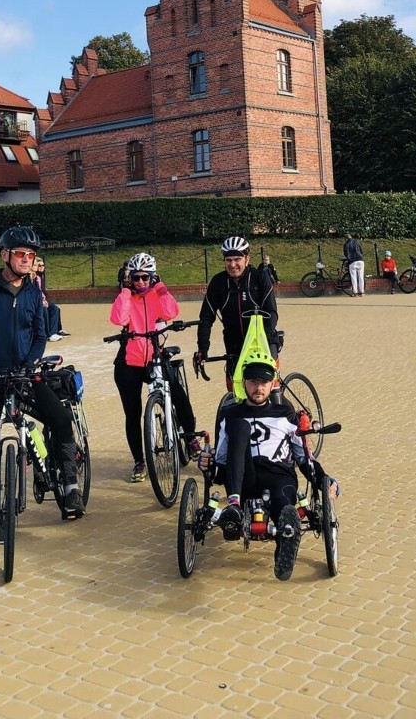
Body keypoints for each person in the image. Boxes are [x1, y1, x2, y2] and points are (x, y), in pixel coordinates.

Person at [0, 226, 84, 542]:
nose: (27, 260)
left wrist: (30, 362)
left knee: (61, 420)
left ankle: (70, 487)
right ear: (5, 256)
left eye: (31, 255)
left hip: (23, 375)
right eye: (21, 254)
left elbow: (39, 335)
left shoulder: (32, 293)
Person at [203, 360, 338, 581]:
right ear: (244, 384)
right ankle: (234, 507)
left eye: (264, 382)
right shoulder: (230, 415)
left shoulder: (285, 414)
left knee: (283, 506)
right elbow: (221, 466)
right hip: (243, 477)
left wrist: (323, 479)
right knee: (239, 425)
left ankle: (286, 536)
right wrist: (209, 467)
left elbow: (303, 457)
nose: (258, 387)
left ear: (272, 383)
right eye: (253, 382)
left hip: (278, 474)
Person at [109, 251, 202, 483]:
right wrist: (124, 290)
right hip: (129, 360)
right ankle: (139, 461)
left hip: (156, 356)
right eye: (136, 278)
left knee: (178, 395)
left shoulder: (157, 294)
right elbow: (118, 319)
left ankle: (190, 437)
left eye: (145, 278)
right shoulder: (128, 296)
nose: (140, 282)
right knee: (132, 413)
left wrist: (160, 288)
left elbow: (171, 311)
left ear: (153, 277)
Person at [196, 236, 279, 383]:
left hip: (263, 343)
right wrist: (203, 349)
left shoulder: (259, 277)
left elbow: (271, 312)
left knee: (268, 388)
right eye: (228, 260)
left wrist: (265, 342)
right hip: (234, 346)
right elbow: (206, 318)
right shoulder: (218, 282)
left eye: (237, 259)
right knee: (235, 392)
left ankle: (281, 403)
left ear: (246, 259)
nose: (232, 264)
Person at [31, 256, 69, 341]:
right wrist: (42, 300)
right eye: (38, 265)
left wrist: (46, 300)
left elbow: (44, 292)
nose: (41, 267)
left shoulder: (40, 278)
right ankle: (49, 334)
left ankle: (55, 331)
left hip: (42, 300)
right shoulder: (32, 278)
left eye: (42, 265)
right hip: (36, 302)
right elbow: (34, 292)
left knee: (55, 309)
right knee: (44, 310)